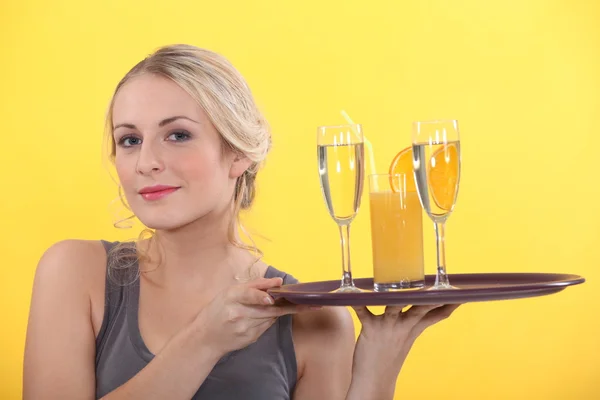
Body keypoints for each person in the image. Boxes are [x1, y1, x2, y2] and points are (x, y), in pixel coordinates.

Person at [23, 44, 460, 400]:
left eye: (177, 134)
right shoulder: (74, 272)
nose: (146, 162)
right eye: (129, 140)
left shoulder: (315, 320)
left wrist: (378, 367)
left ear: (239, 153)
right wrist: (204, 340)